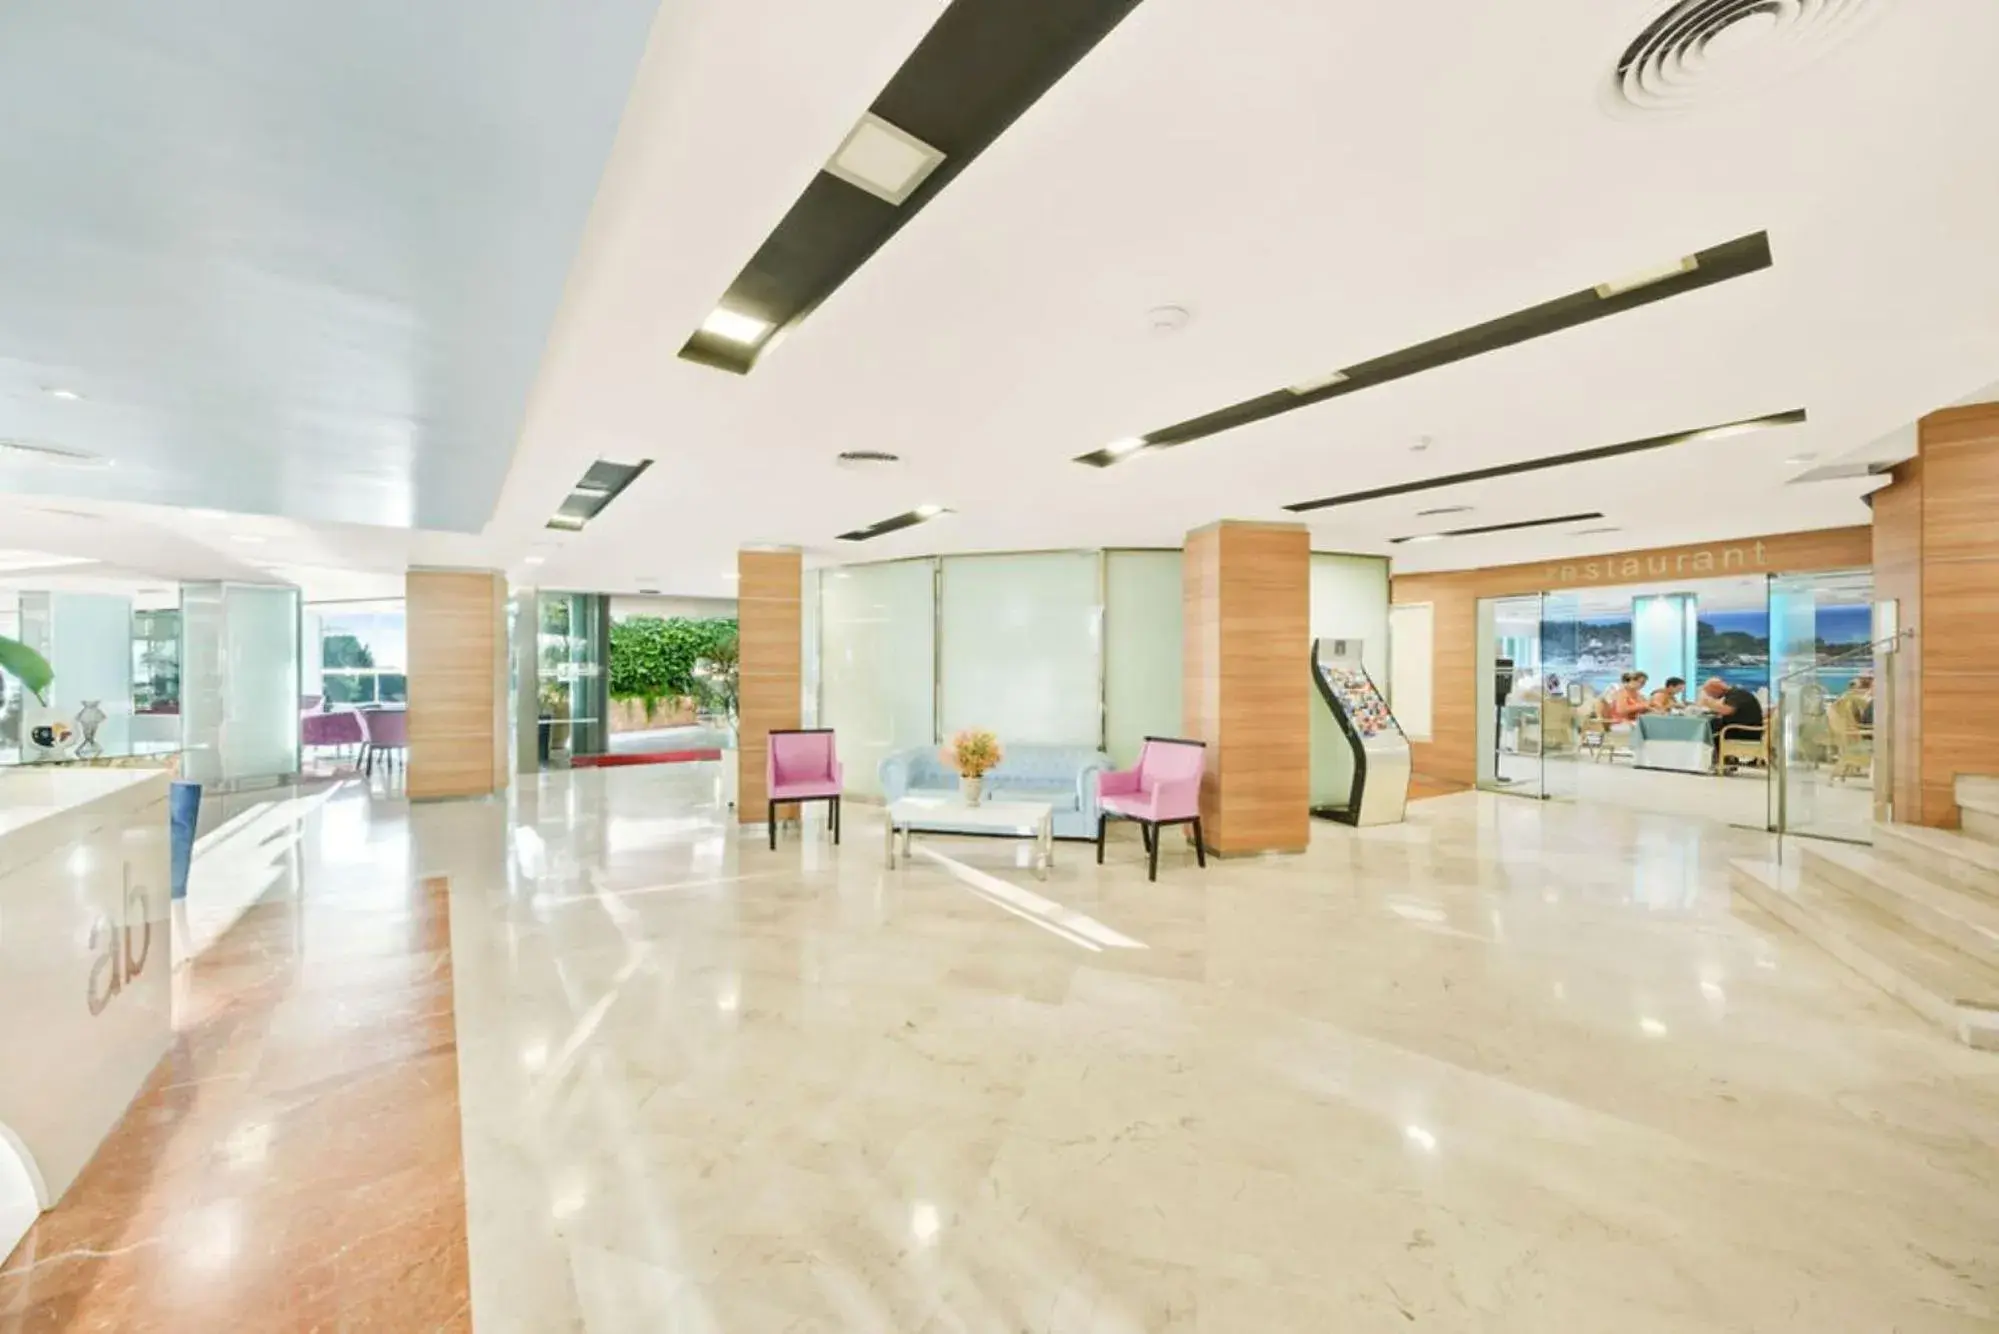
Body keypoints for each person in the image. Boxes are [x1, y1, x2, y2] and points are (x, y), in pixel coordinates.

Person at [1699, 677, 1765, 767]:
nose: (1712, 696)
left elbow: (1727, 710)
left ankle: (1715, 761)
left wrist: (1708, 703)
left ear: (1717, 688)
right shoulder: (1734, 693)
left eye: (1711, 693)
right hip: (1743, 728)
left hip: (1746, 732)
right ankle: (1723, 759)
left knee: (1710, 731)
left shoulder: (1737, 694)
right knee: (1713, 726)